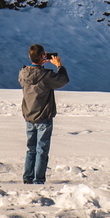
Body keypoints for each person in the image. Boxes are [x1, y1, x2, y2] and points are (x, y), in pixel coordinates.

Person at [18, 44, 69, 185]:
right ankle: (38, 180)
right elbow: (63, 80)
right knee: (42, 150)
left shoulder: (23, 73)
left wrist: (39, 62)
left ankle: (28, 177)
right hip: (43, 117)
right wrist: (59, 65)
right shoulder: (46, 76)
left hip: (29, 115)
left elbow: (28, 78)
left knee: (31, 149)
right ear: (42, 56)